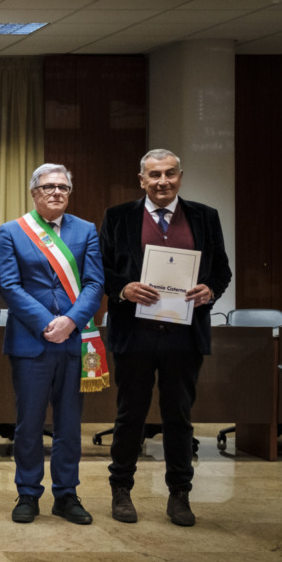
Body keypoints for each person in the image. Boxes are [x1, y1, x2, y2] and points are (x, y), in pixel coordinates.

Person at [101, 149, 231, 527]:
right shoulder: (118, 216)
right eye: (154, 175)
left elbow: (221, 269)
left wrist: (210, 290)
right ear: (141, 179)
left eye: (169, 174)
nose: (162, 181)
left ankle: (179, 494)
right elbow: (102, 270)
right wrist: (124, 289)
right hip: (134, 334)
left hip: (183, 336)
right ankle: (121, 490)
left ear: (180, 176)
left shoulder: (205, 217)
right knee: (130, 416)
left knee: (179, 417)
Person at [0, 163, 104, 525]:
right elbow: (10, 286)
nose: (56, 192)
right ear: (34, 193)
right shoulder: (12, 231)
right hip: (32, 342)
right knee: (28, 424)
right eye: (48, 187)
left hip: (75, 342)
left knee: (70, 424)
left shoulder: (86, 230)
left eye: (63, 187)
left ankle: (67, 494)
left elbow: (94, 283)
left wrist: (71, 320)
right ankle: (27, 494)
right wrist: (47, 323)